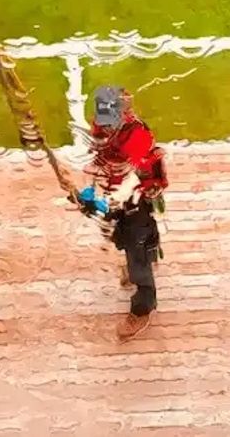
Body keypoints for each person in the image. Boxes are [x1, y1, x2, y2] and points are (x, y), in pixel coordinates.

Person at [77, 86, 168, 342]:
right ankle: (140, 256)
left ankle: (143, 307)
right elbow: (98, 157)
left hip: (136, 194)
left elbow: (135, 176)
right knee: (121, 236)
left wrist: (111, 199)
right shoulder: (103, 127)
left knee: (136, 247)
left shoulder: (138, 135)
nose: (104, 129)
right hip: (113, 191)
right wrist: (89, 187)